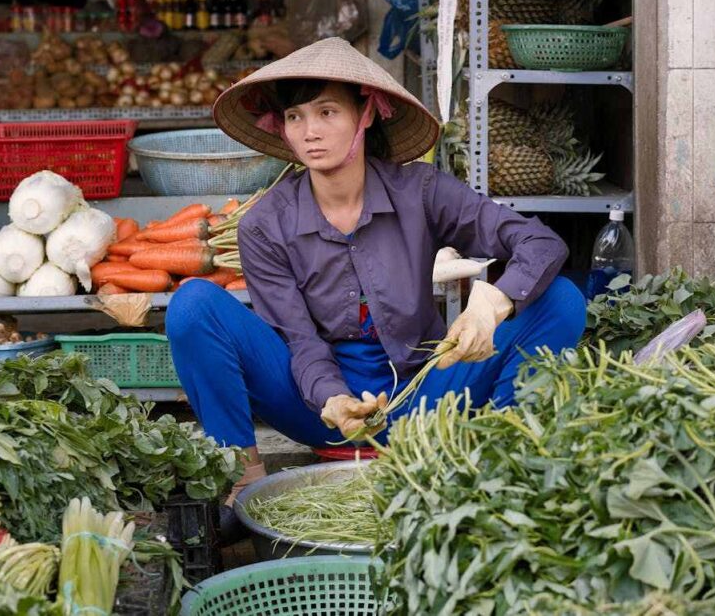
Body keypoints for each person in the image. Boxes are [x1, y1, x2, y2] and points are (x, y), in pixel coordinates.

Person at [165, 37, 585, 534]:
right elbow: (299, 342)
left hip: (425, 396)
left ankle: (500, 461)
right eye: (296, 117)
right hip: (314, 406)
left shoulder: (421, 191)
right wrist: (334, 400)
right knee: (193, 304)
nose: (309, 132)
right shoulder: (265, 224)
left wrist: (492, 303)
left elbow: (540, 242)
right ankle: (243, 482)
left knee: (561, 299)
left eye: (327, 112)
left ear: (366, 114)